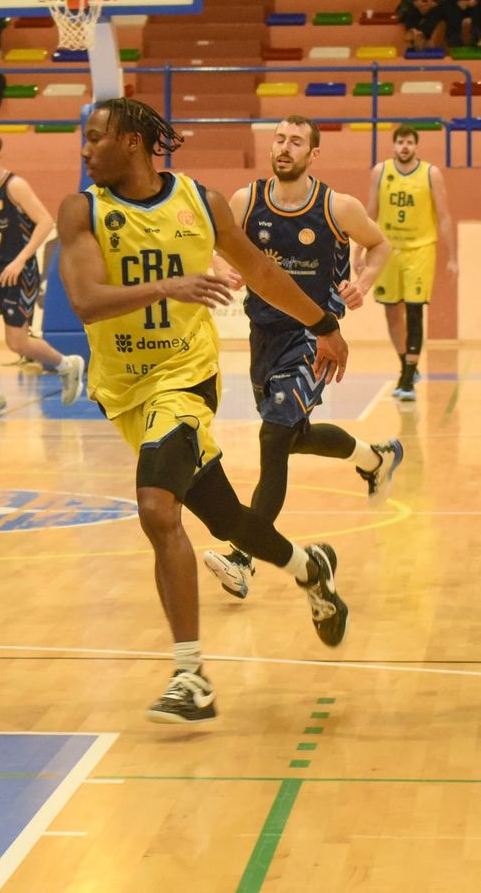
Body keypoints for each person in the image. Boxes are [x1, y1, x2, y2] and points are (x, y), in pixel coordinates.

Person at [56, 97, 351, 723]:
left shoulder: (201, 202)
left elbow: (263, 273)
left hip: (183, 380)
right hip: (124, 391)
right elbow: (86, 300)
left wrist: (324, 323)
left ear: (132, 141)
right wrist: (170, 285)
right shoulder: (82, 209)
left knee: (156, 507)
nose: (85, 149)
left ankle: (191, 677)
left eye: (95, 137)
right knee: (226, 521)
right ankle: (308, 567)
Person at [202, 117, 402, 602]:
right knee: (294, 437)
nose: (284, 148)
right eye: (279, 140)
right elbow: (215, 244)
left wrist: (364, 282)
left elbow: (380, 245)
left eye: (296, 141)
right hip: (262, 336)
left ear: (314, 153)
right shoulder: (246, 201)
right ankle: (376, 457)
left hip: (313, 337)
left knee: (273, 439)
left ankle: (242, 557)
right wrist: (224, 267)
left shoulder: (338, 207)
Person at [0, 132, 84, 417]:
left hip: (20, 270)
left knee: (16, 342)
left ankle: (66, 365)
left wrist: (21, 260)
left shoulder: (15, 185)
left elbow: (46, 221)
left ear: (0, 155)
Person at [364, 124, 458, 401]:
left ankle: (407, 379)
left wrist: (452, 256)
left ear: (416, 147)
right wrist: (360, 250)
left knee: (415, 310)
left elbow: (444, 216)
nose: (404, 147)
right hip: (387, 249)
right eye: (400, 142)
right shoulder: (381, 172)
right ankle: (406, 362)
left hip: (420, 249)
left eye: (409, 142)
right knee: (392, 312)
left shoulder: (431, 174)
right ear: (393, 146)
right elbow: (370, 211)